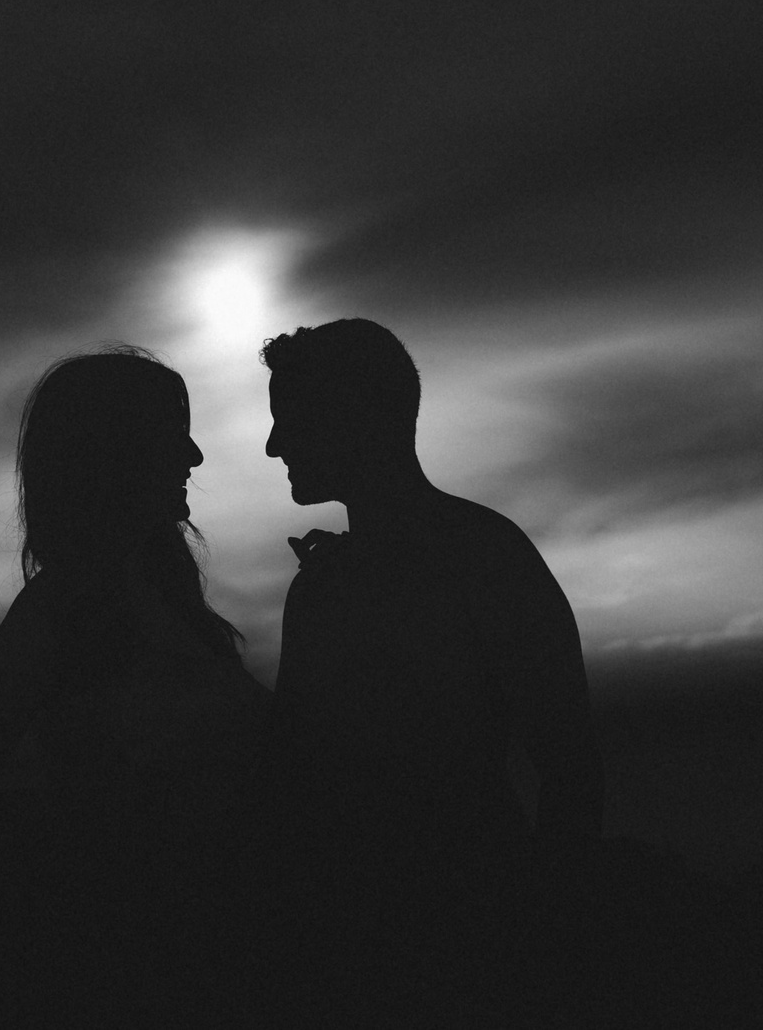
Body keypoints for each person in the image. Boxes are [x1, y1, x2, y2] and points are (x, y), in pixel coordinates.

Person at [255, 317, 601, 1022]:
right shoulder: (326, 585)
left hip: (475, 941)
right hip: (350, 950)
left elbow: (570, 768)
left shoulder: (484, 557)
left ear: (353, 417)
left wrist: (542, 939)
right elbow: (293, 777)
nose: (273, 444)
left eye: (291, 419)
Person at [0, 346, 268, 829]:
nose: (194, 456)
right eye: (172, 435)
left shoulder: (164, 600)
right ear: (115, 452)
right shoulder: (62, 608)